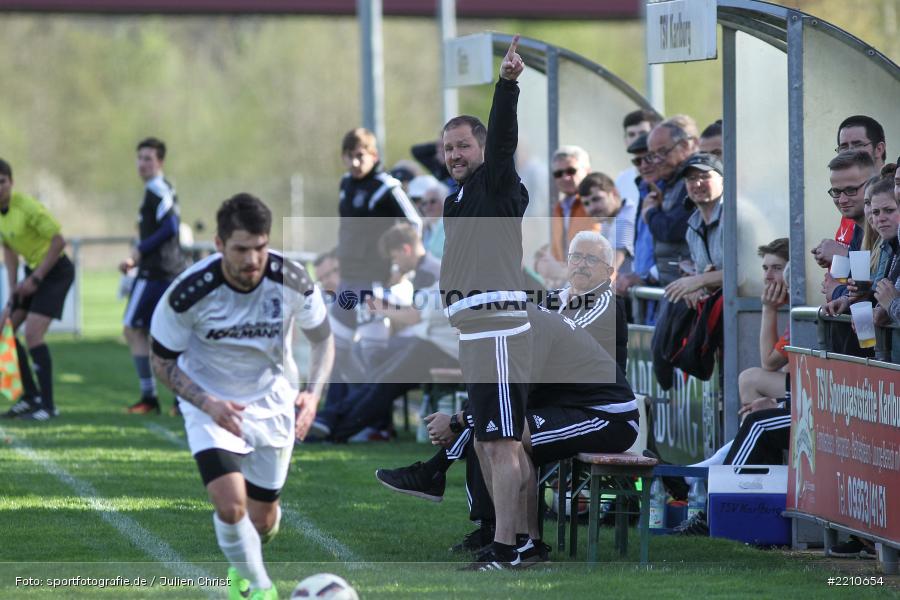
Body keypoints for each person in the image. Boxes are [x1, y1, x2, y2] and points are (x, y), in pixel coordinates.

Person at [149, 193, 334, 600]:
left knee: (261, 522)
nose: (252, 259)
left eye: (260, 247)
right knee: (230, 505)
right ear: (218, 244)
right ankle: (259, 588)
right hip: (209, 404)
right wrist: (207, 403)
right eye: (241, 249)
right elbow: (161, 361)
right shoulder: (189, 292)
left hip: (273, 403)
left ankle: (251, 553)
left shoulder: (293, 279)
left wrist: (313, 395)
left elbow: (323, 340)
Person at [378, 304, 639, 563]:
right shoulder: (519, 319)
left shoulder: (529, 326)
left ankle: (502, 531)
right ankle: (526, 543)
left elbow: (512, 400)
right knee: (495, 433)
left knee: (495, 433)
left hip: (609, 417)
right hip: (579, 408)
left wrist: (456, 421)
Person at [439, 35, 534, 570]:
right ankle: (516, 537)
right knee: (489, 441)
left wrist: (507, 86)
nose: (455, 156)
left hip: (497, 329)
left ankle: (505, 547)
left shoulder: (496, 182)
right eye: (448, 148)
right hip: (475, 331)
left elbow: (502, 141)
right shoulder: (458, 200)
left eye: (463, 147)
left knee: (499, 444)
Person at [0, 158, 74, 421]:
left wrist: (37, 278)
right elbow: (8, 251)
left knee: (32, 333)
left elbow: (59, 241)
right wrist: (12, 292)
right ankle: (30, 397)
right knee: (5, 329)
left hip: (54, 273)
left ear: (12, 182)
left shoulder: (26, 207)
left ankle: (48, 405)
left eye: (2, 182)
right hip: (33, 274)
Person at [120, 137, 184, 415]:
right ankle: (179, 400)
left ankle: (151, 398)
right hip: (165, 270)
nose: (142, 163)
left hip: (157, 272)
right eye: (140, 158)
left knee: (134, 329)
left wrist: (138, 252)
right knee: (168, 334)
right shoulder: (158, 188)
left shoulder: (158, 188)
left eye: (148, 158)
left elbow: (171, 226)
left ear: (160, 162)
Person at [642, 115, 699, 286]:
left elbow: (673, 228)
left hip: (688, 287)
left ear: (686, 145)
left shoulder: (692, 178)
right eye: (653, 155)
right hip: (674, 285)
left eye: (662, 152)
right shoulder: (670, 181)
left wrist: (650, 214)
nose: (657, 160)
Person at [663, 153, 725, 308]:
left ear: (724, 180)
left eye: (704, 176)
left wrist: (698, 281)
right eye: (691, 178)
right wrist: (696, 288)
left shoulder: (735, 218)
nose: (697, 184)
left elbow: (746, 275)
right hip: (718, 309)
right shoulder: (692, 228)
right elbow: (704, 278)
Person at [737, 238, 790, 410]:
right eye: (765, 268)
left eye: (777, 268)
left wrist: (768, 308)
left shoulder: (805, 303)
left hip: (822, 391)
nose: (767, 277)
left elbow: (769, 362)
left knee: (749, 380)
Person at [578, 172, 635, 279]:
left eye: (596, 199)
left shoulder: (625, 218)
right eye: (586, 203)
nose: (592, 208)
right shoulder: (608, 219)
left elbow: (610, 268)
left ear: (614, 193)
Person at [549, 145, 593, 263]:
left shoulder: (596, 203)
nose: (565, 178)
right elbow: (556, 253)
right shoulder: (559, 208)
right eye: (558, 173)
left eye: (571, 171)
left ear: (588, 171)